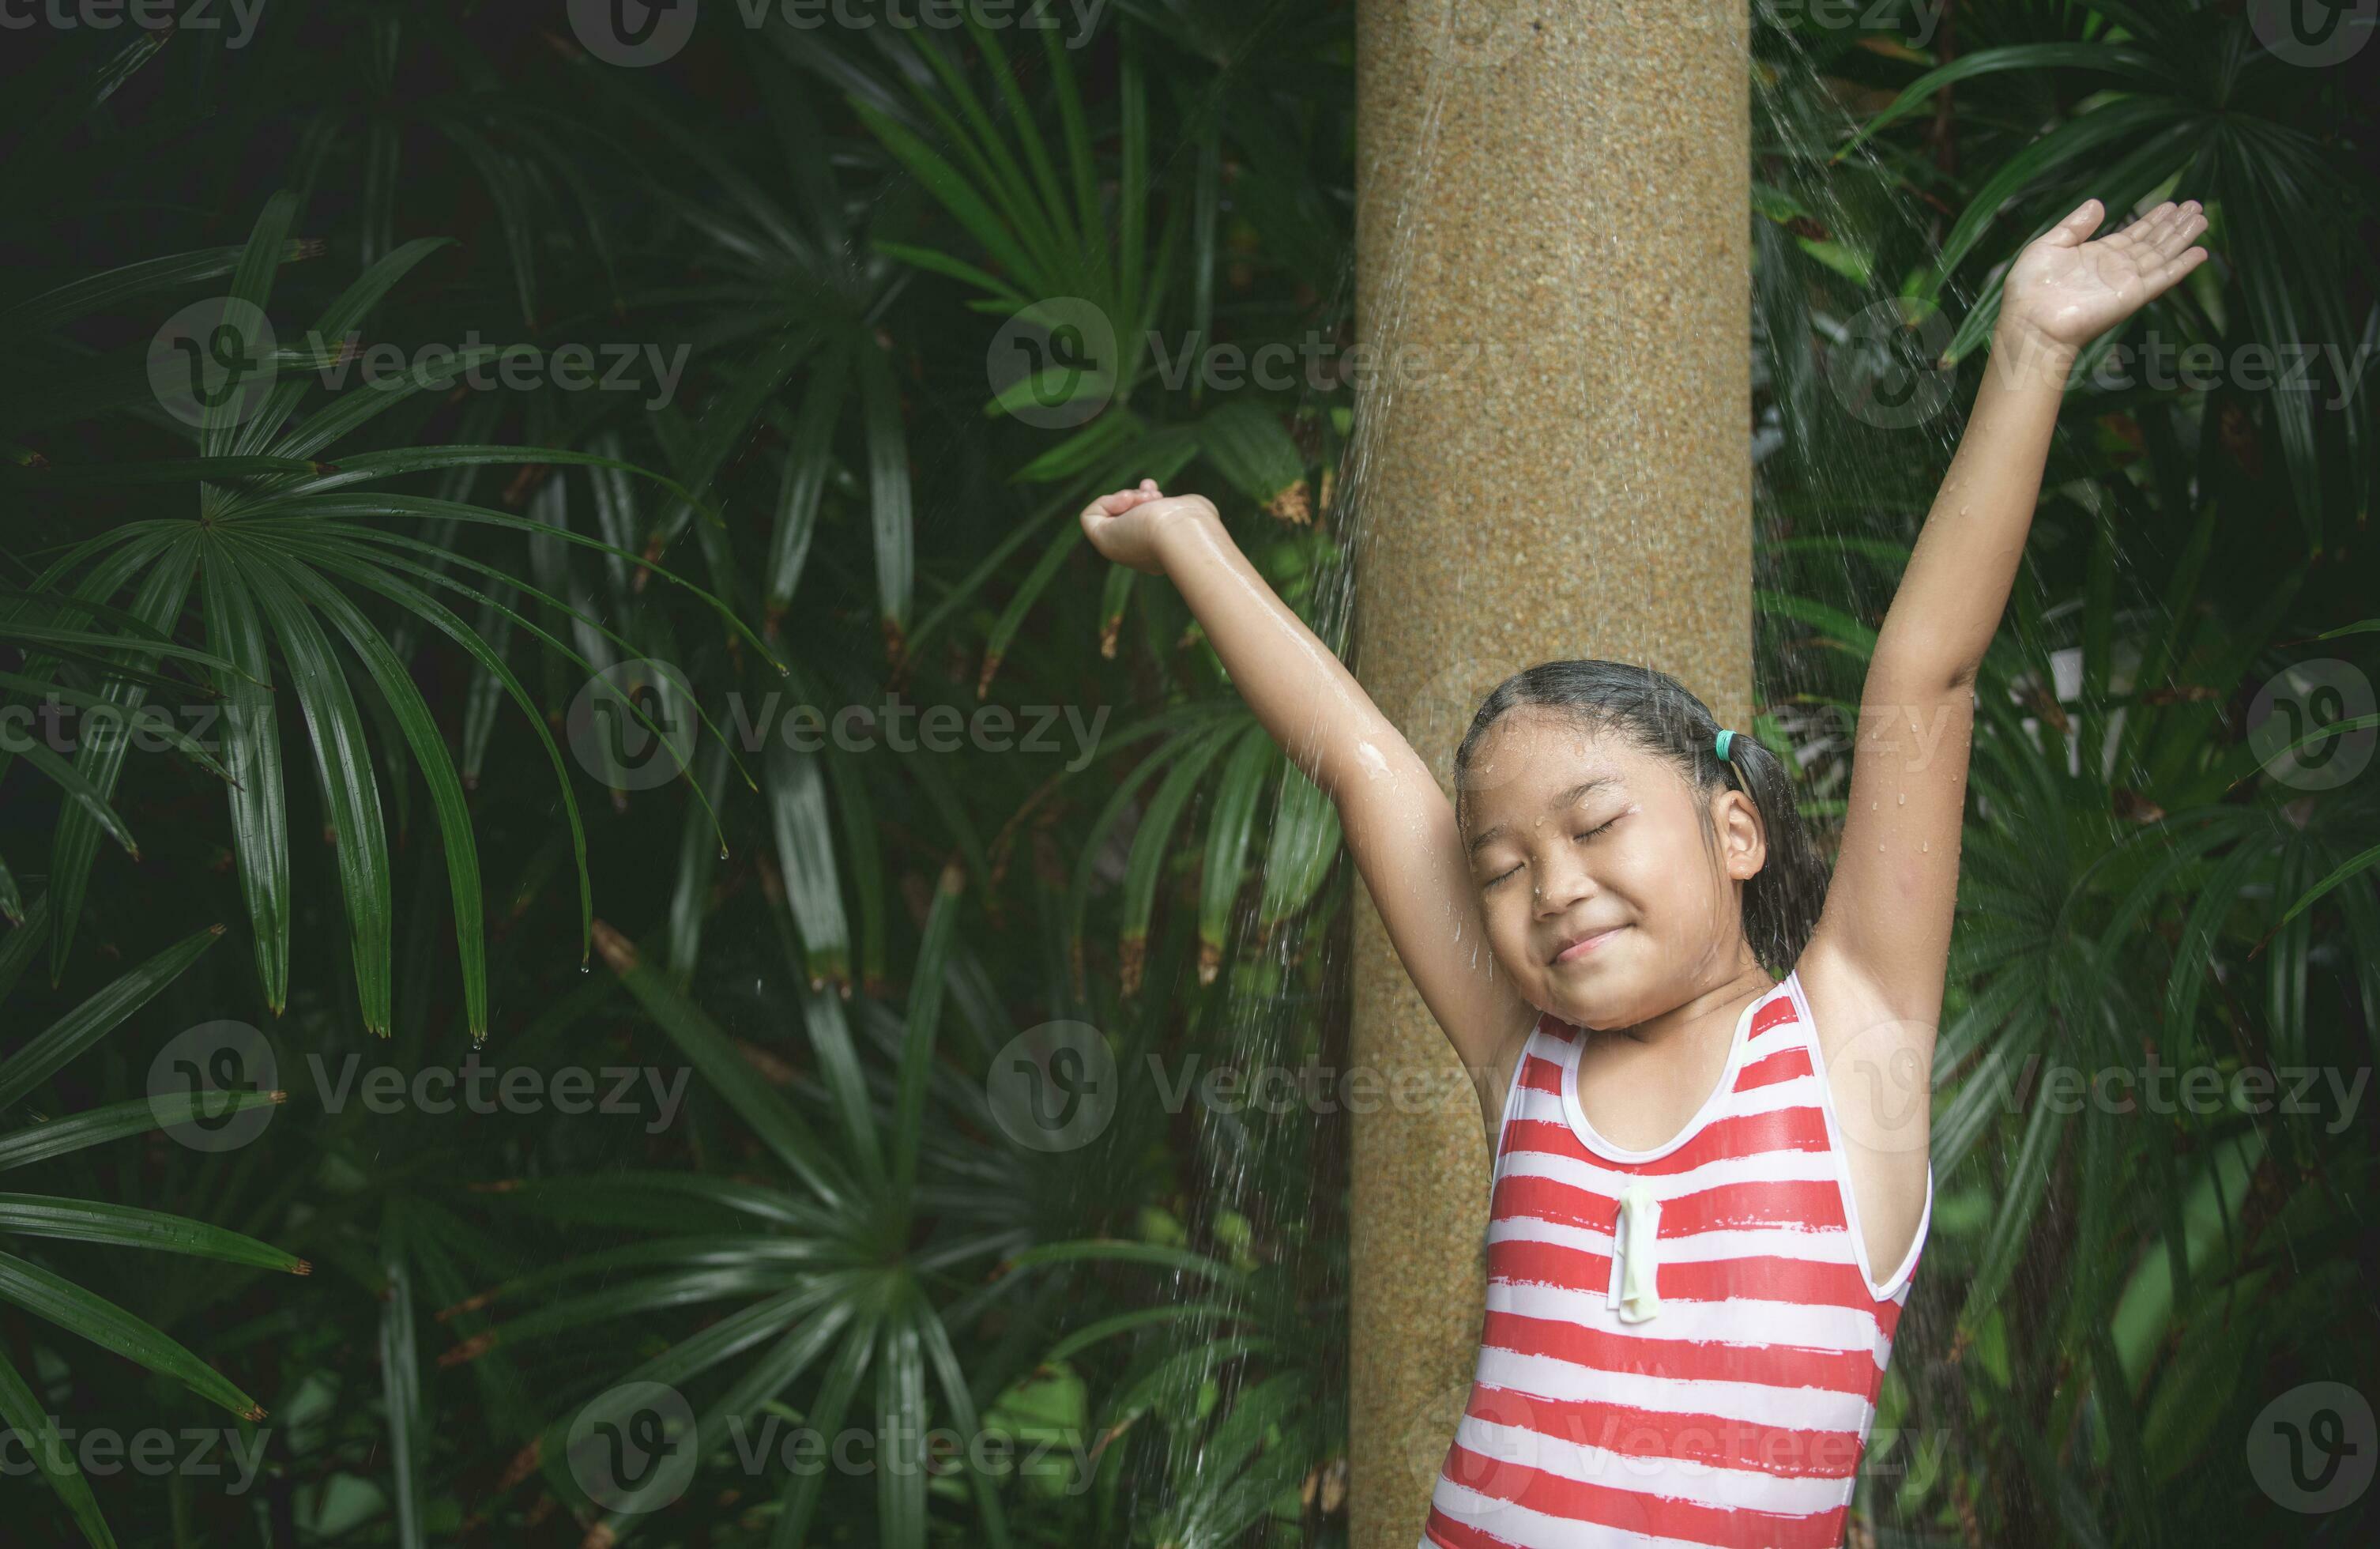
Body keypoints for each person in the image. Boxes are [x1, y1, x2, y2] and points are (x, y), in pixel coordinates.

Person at [1079, 197, 2209, 1547]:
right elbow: (1360, 764)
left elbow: (1928, 673)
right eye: (1498, 866)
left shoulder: (1850, 1038)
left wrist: (2029, 348)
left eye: (1597, 824)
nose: (1550, 885)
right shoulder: (1527, 1059)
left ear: (1737, 832)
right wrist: (1193, 540)